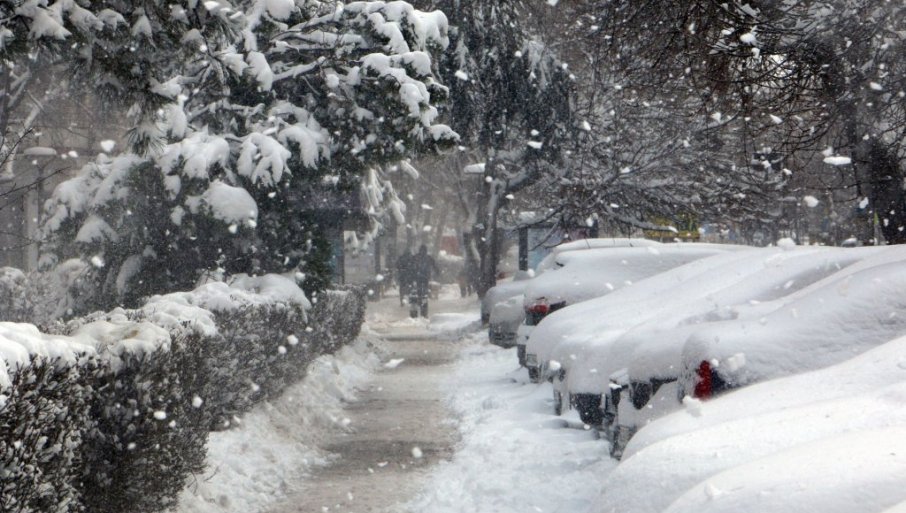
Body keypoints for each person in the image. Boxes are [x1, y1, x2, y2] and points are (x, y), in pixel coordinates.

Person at [410, 244, 439, 317]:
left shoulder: (416, 257)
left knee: (416, 292)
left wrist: (411, 275)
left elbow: (410, 266)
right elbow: (434, 266)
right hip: (425, 277)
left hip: (417, 277)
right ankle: (424, 309)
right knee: (424, 293)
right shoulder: (428, 258)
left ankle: (417, 305)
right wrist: (437, 272)